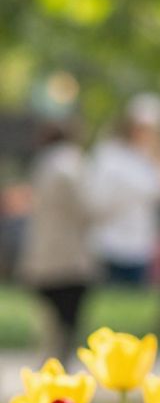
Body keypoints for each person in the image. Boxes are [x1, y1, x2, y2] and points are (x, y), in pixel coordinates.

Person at [18, 115, 97, 357]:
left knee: (51, 323)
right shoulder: (71, 164)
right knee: (66, 320)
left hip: (43, 253)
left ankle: (52, 362)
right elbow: (86, 207)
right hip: (69, 256)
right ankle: (59, 365)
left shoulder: (44, 163)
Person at [88, 92, 160, 286]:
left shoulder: (155, 158)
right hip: (109, 239)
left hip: (142, 241)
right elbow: (97, 197)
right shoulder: (110, 153)